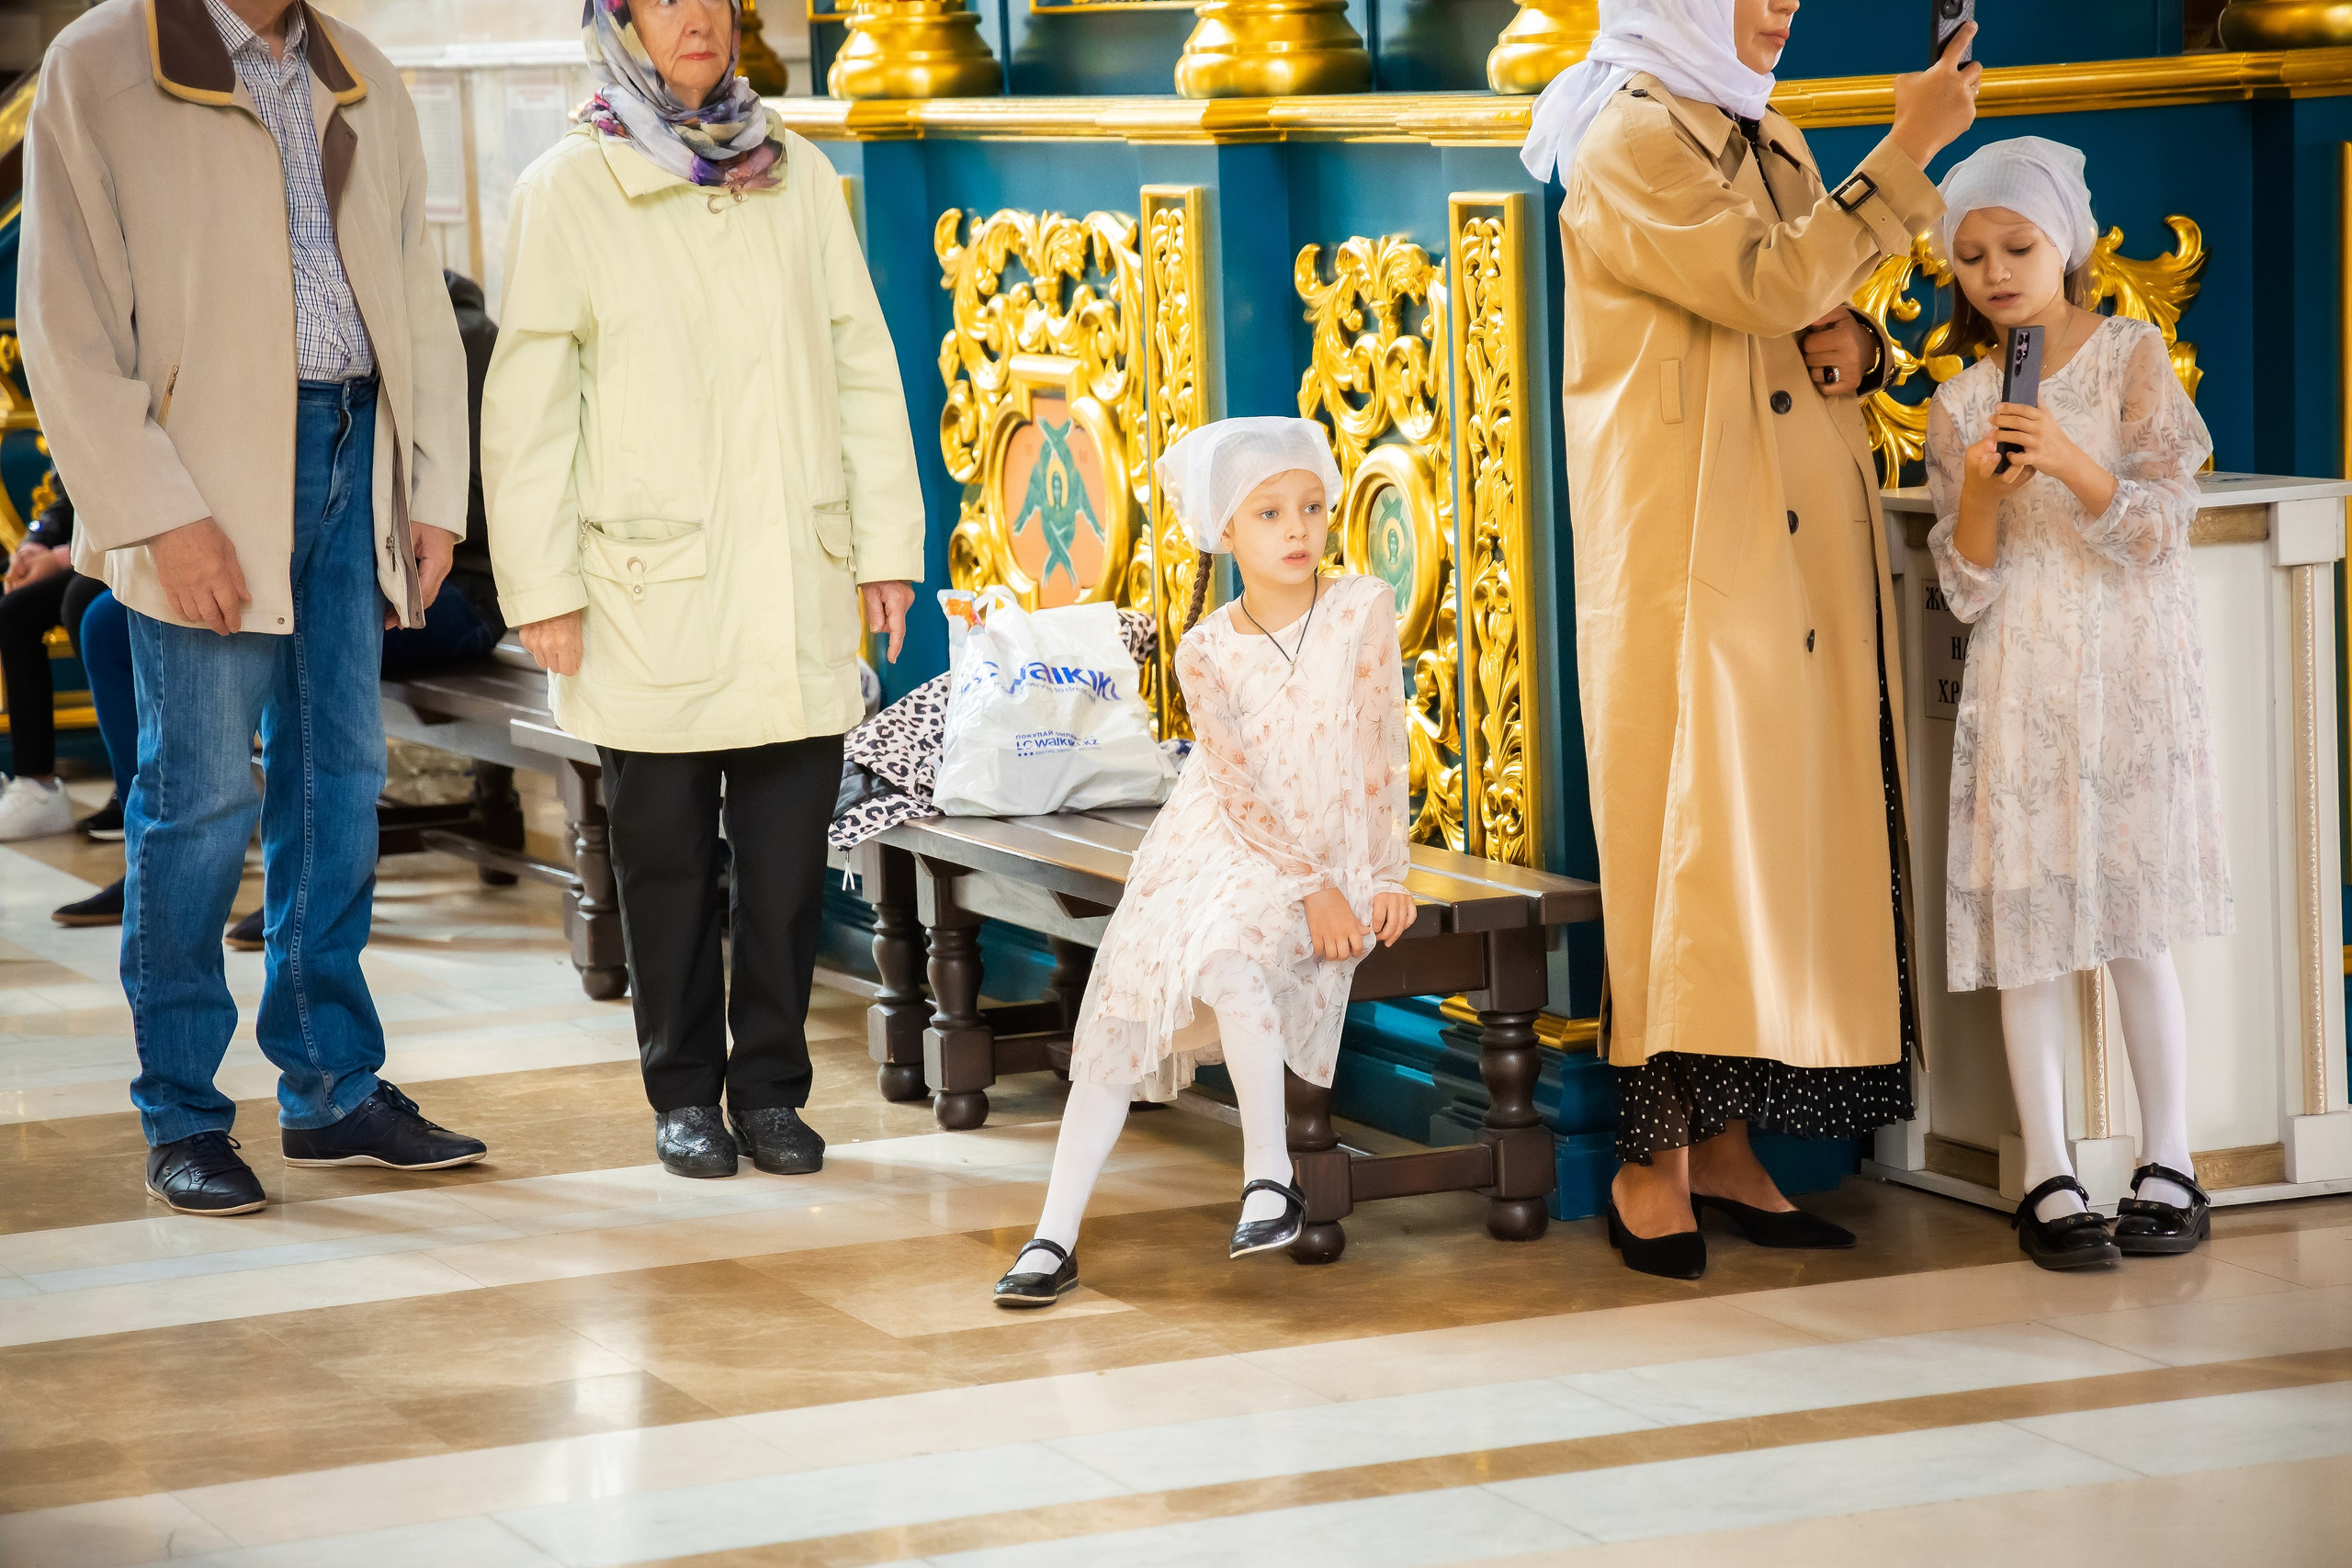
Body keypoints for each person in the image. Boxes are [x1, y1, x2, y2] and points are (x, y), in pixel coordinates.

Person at [1524, 0, 1980, 1278]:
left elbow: (1800, 299)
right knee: (1692, 839)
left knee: (1765, 838)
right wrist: (1907, 152)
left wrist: (1860, 345)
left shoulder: (1753, 129)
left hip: (1788, 546)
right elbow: (1767, 275)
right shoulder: (1628, 136)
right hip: (1690, 550)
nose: (1778, 7)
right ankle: (1649, 1161)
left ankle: (1724, 1147)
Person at [21, 0, 489, 1216]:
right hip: (206, 474)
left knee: (339, 776)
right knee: (199, 799)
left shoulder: (364, 74)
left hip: (352, 452)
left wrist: (433, 489)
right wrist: (160, 513)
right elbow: (63, 329)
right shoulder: (100, 65)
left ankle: (333, 1084)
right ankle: (181, 1106)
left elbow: (419, 308)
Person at [486, 0, 924, 1180]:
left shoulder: (799, 175)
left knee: (785, 864)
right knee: (666, 861)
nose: (699, 20)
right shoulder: (568, 190)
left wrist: (885, 544)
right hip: (647, 584)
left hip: (793, 580)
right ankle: (683, 1091)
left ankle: (773, 1091)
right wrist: (543, 586)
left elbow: (862, 366)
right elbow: (525, 415)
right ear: (620, 21)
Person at [992, 418, 1415, 1310]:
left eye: (1311, 508)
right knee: (1119, 1018)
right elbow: (1233, 788)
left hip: (1327, 841)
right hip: (1220, 840)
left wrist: (1380, 875)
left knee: (1227, 960)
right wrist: (1310, 887)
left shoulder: (1360, 609)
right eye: (1267, 514)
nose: (1296, 530)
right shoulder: (1205, 649)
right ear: (1225, 531)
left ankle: (1268, 1177)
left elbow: (1381, 753)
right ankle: (1052, 1235)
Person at [1926, 139, 2227, 1269]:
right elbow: (1964, 588)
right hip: (2023, 678)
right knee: (2032, 933)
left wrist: (2071, 460)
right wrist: (1988, 502)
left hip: (2133, 675)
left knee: (2136, 928)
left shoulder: (2133, 357)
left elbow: (2160, 525)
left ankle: (2172, 1157)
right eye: (1969, 257)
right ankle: (2047, 1171)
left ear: (2068, 243)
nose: (1995, 272)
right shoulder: (1956, 405)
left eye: (2016, 245)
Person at [0, 492, 115, 840]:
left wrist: (65, 556)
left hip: (132, 544)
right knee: (14, 611)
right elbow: (68, 489)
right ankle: (37, 786)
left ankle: (138, 778)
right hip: (82, 545)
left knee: (82, 604)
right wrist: (38, 543)